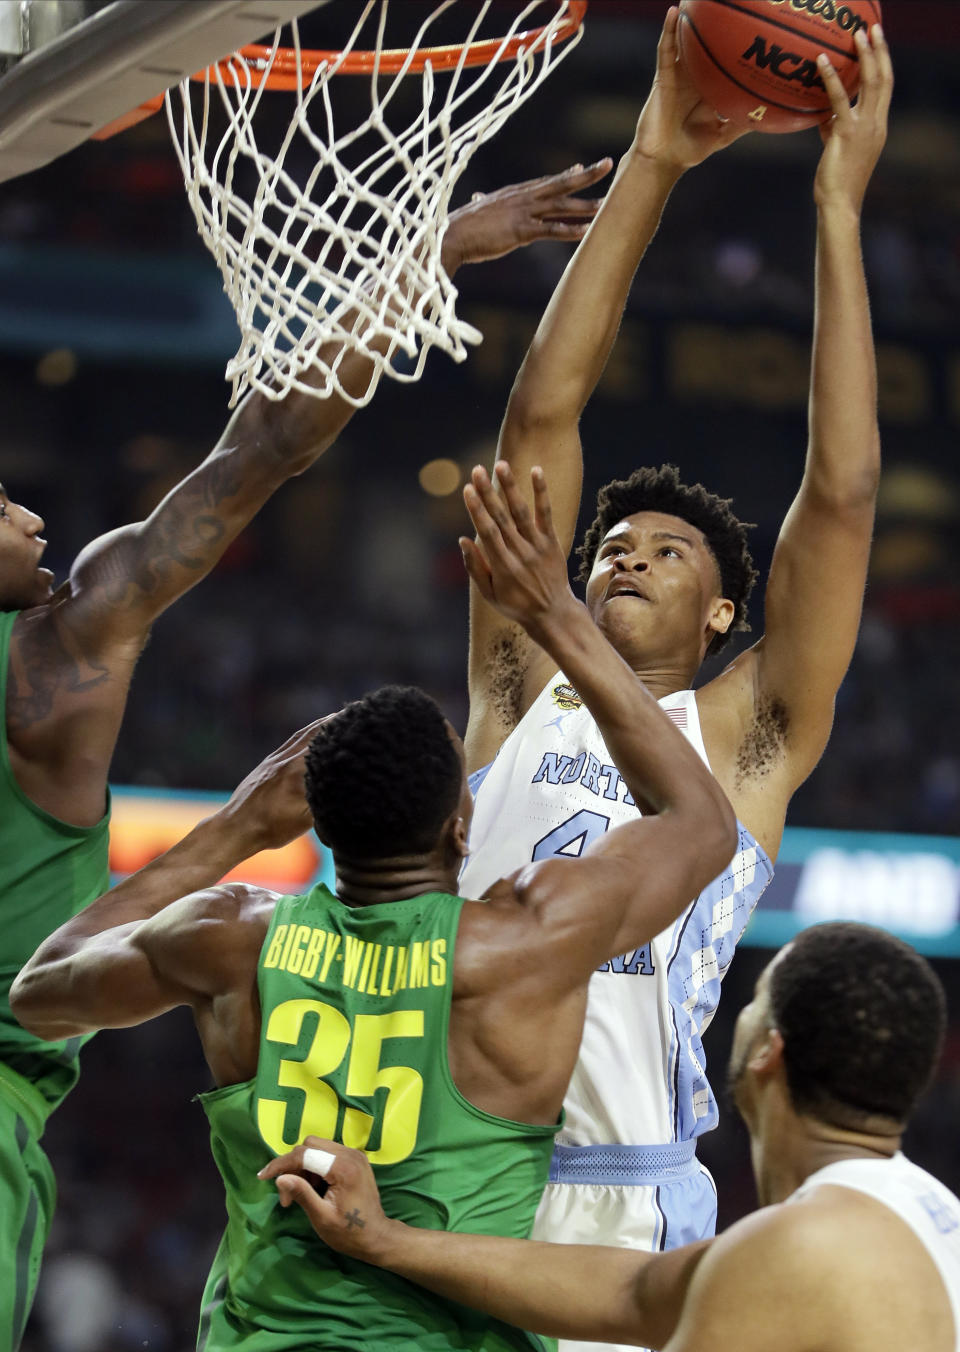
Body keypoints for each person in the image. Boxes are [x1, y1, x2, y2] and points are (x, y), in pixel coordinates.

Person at [0, 165, 611, 1351]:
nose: (31, 516)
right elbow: (262, 446)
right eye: (0, 497)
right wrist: (422, 255)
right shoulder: (49, 658)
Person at [10, 463, 736, 1351]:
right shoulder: (521, 947)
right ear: (461, 824)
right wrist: (555, 613)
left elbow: (37, 990)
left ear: (314, 818)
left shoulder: (229, 937)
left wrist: (236, 826)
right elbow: (701, 823)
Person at [457, 10, 892, 1327]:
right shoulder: (522, 676)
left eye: (666, 553)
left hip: (616, 1203)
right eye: (610, 545)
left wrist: (837, 210)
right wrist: (653, 152)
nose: (625, 559)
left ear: (722, 619)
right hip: (444, 1159)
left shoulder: (748, 737)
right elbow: (541, 418)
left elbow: (848, 491)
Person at [263, 920, 960, 1352]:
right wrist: (384, 1239)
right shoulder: (911, 1217)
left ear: (766, 1053)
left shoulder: (801, 1250)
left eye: (752, 1001)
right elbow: (633, 1294)